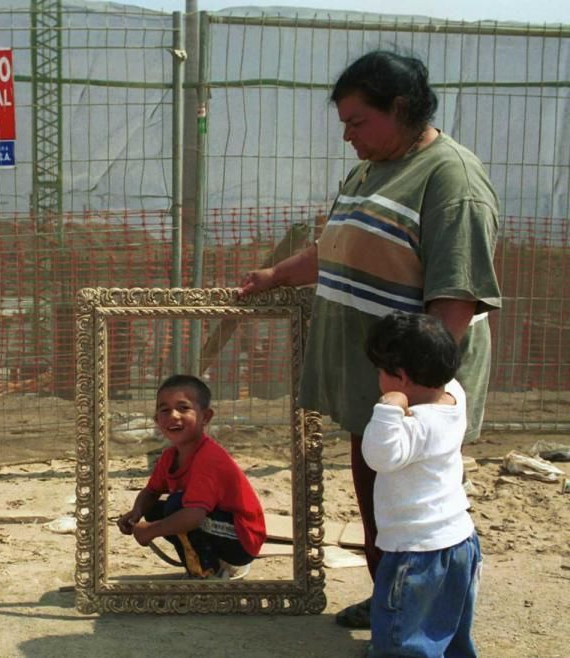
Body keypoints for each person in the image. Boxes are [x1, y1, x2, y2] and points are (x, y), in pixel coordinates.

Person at [236, 50, 501, 627]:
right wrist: (275, 276)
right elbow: (338, 246)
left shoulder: (450, 178)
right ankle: (392, 595)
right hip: (380, 379)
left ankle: (421, 614)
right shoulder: (371, 168)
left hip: (412, 384)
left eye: (358, 122)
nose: (349, 136)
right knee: (379, 493)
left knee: (416, 506)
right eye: (345, 125)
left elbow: (455, 299)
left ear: (400, 108)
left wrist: (415, 393)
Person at [362, 311, 481, 657]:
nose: (378, 378)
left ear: (400, 378)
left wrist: (388, 407)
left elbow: (378, 456)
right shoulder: (453, 397)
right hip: (460, 542)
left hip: (416, 553)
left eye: (382, 371)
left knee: (403, 639)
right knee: (449, 629)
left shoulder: (414, 427)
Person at [116, 374, 266, 578]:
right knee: (157, 510)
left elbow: (193, 516)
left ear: (205, 417)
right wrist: (137, 512)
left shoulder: (209, 458)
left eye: (183, 408)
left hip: (242, 540)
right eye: (164, 410)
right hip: (217, 524)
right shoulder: (170, 456)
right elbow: (151, 491)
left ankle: (208, 573)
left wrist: (150, 531)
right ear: (156, 419)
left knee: (177, 508)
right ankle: (203, 565)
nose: (173, 416)